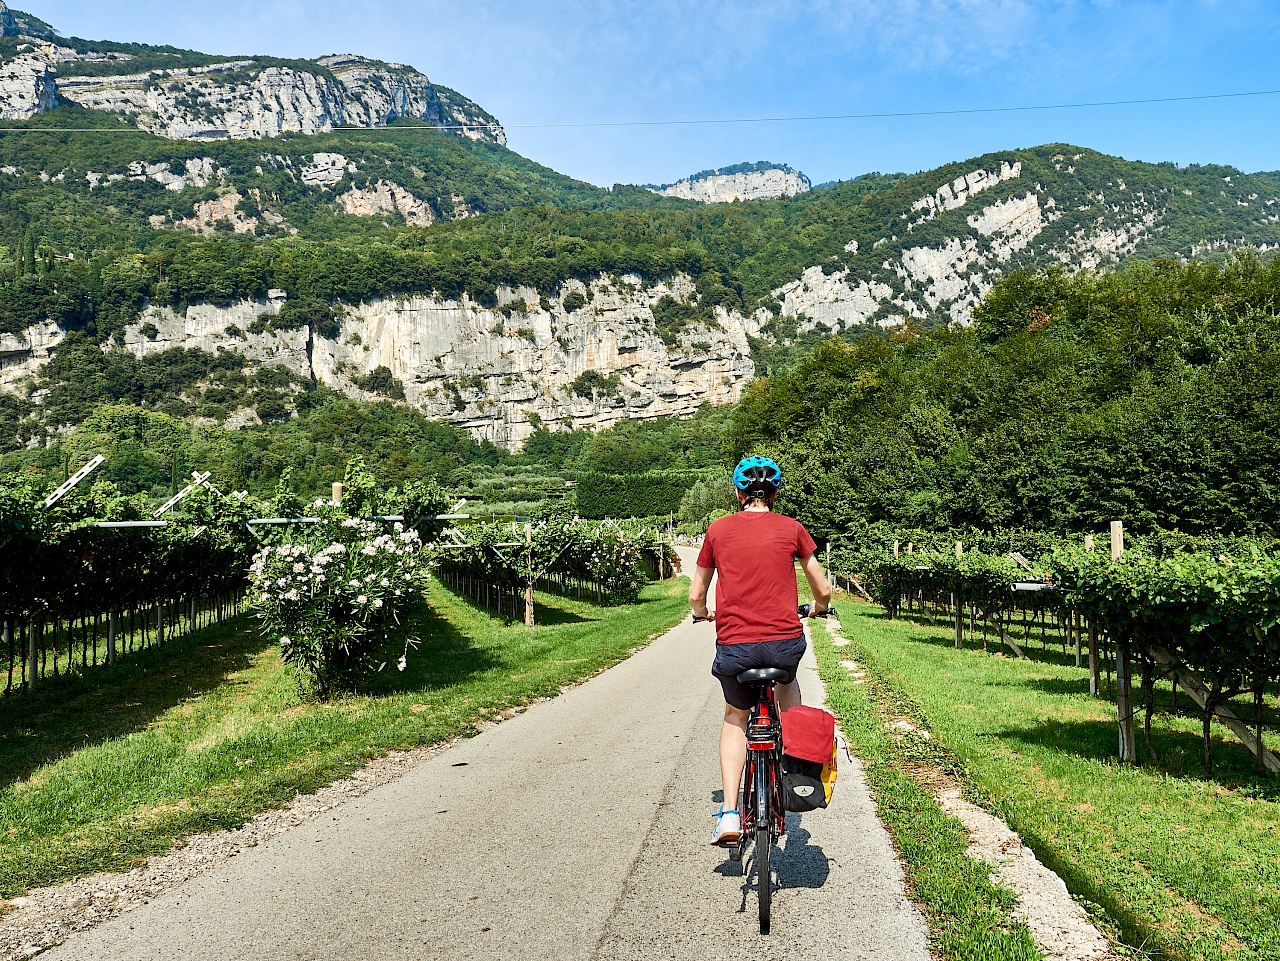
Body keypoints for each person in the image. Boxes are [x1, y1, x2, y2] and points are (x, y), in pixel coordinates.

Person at [688, 455, 832, 846]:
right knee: (789, 684)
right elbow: (823, 589)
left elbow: (696, 595)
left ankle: (731, 814)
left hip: (735, 649)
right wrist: (817, 608)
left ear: (738, 493)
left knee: (736, 714)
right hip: (783, 646)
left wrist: (703, 614)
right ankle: (795, 767)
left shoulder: (717, 531)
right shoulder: (792, 529)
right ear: (774, 492)